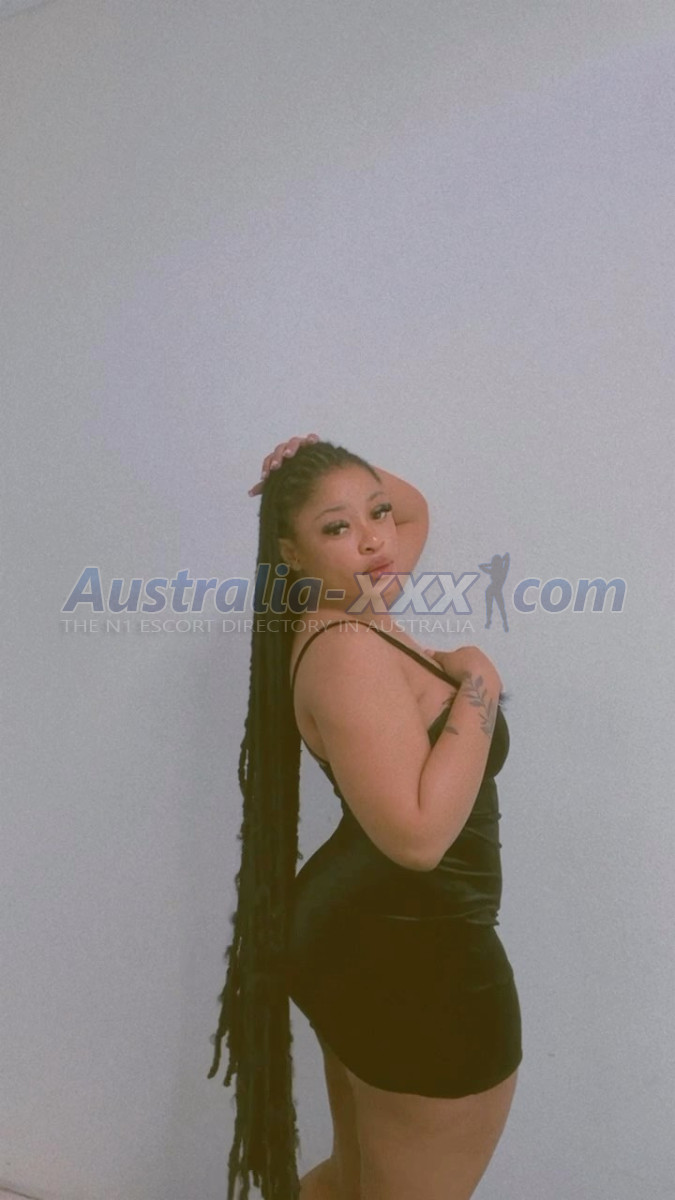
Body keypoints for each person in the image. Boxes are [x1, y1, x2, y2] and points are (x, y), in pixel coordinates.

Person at [208, 434, 523, 1200]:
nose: (377, 539)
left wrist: (318, 458)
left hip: (379, 941)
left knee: (354, 1185)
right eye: (337, 527)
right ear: (290, 552)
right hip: (414, 963)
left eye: (374, 514)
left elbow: (412, 511)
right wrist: (478, 682)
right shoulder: (347, 648)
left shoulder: (356, 602)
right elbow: (417, 838)